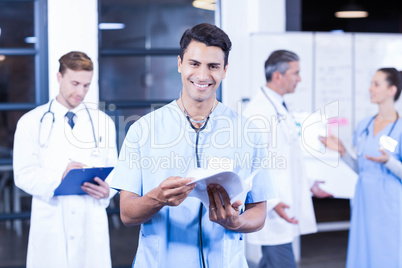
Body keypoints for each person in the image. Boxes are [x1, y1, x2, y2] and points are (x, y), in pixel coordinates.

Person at [110, 23, 275, 268]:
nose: (202, 75)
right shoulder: (143, 130)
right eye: (194, 64)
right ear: (180, 64)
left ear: (225, 70)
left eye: (213, 66)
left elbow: (258, 212)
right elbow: (127, 214)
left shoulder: (248, 132)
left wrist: (236, 222)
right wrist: (158, 198)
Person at [13, 51, 118, 268]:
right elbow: (23, 174)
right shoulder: (31, 122)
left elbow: (116, 171)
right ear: (59, 77)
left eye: (86, 85)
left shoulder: (103, 122)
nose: (81, 92)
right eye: (75, 83)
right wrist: (59, 177)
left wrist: (109, 190)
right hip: (50, 225)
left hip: (91, 224)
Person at [244, 50, 332, 268]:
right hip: (274, 206)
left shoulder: (278, 106)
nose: (299, 79)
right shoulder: (258, 112)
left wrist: (309, 184)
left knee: (271, 262)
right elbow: (249, 163)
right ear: (278, 76)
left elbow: (286, 157)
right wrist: (272, 203)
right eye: (296, 73)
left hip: (282, 205)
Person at [320, 68, 402, 268]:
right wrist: (343, 152)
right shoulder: (364, 125)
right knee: (363, 255)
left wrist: (387, 161)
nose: (370, 88)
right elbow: (361, 168)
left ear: (392, 90)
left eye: (376, 84)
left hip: (389, 203)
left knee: (388, 255)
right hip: (364, 199)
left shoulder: (399, 128)